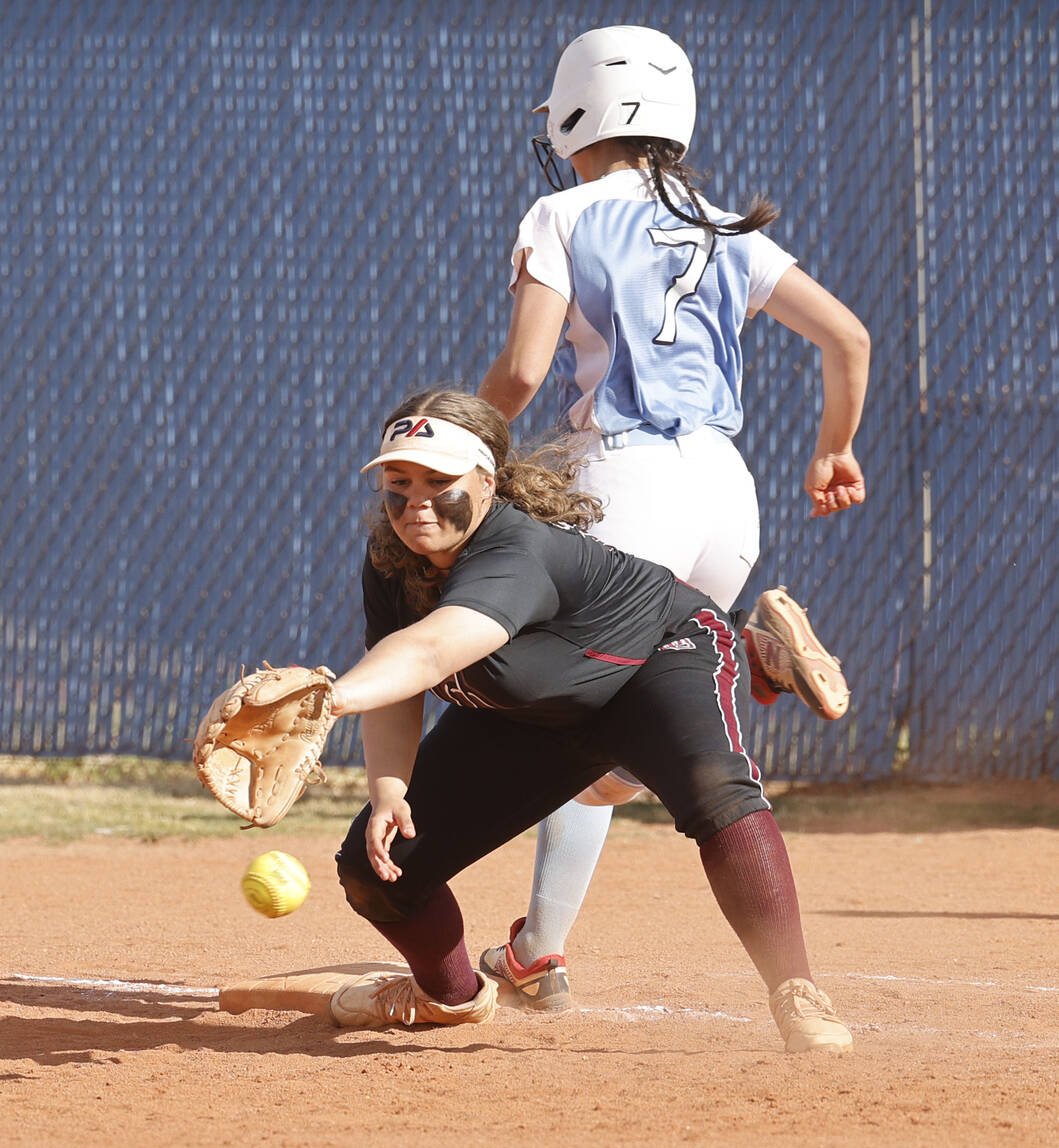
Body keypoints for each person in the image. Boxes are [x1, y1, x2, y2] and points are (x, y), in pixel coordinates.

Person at [220, 388, 852, 1053]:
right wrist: (388, 791)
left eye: (440, 480)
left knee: (709, 784)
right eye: (397, 482)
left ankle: (797, 992)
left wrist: (331, 698)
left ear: (487, 482)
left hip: (655, 660)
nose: (415, 501)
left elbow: (433, 648)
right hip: (536, 713)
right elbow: (398, 676)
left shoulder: (513, 551)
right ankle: (449, 998)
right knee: (378, 869)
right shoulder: (391, 561)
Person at [475, 25, 871, 1009]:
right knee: (622, 741)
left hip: (621, 484)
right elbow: (848, 337)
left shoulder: (563, 211)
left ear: (579, 114)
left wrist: (468, 442)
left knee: (552, 708)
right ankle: (535, 952)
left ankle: (756, 652)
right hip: (724, 498)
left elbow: (524, 371)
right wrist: (834, 448)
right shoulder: (725, 224)